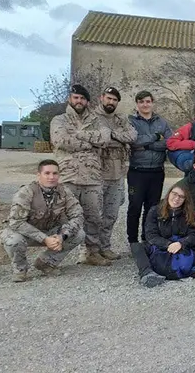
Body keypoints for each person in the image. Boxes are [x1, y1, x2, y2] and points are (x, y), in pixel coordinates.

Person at [50, 84, 111, 266]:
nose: (79, 101)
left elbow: (105, 139)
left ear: (87, 102)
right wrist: (90, 143)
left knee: (94, 217)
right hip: (68, 175)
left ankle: (91, 253)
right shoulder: (59, 120)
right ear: (70, 99)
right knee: (64, 218)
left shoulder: (97, 121)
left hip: (92, 177)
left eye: (82, 98)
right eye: (76, 97)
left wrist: (78, 134)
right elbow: (61, 140)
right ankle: (52, 257)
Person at [0, 160, 85, 282]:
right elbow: (16, 222)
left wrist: (62, 236)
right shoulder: (26, 192)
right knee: (13, 240)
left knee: (79, 234)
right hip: (26, 233)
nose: (51, 177)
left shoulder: (64, 192)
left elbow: (78, 215)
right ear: (39, 175)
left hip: (50, 232)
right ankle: (20, 269)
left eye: (55, 173)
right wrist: (44, 239)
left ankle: (46, 263)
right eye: (47, 173)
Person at [92, 87, 138, 261]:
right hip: (96, 173)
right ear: (102, 98)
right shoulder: (92, 118)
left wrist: (111, 135)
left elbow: (132, 136)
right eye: (109, 98)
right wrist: (117, 139)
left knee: (111, 214)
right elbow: (94, 140)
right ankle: (89, 250)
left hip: (117, 173)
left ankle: (105, 247)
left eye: (114, 100)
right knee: (94, 214)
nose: (111, 102)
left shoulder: (121, 118)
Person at [131, 184, 195, 286]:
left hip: (181, 247)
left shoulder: (190, 214)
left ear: (185, 200)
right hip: (160, 246)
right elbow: (151, 235)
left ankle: (181, 270)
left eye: (181, 197)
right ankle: (147, 273)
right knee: (137, 246)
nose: (177, 198)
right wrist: (168, 244)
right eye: (174, 194)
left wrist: (181, 243)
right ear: (169, 194)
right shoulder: (155, 211)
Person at [127, 90, 172, 245]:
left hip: (157, 172)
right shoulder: (131, 122)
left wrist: (147, 146)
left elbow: (169, 142)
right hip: (137, 171)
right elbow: (134, 141)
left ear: (152, 103)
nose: (145, 105)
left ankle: (147, 239)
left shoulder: (162, 122)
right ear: (137, 104)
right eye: (141, 102)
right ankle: (133, 241)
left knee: (152, 208)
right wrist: (156, 137)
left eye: (147, 101)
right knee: (135, 207)